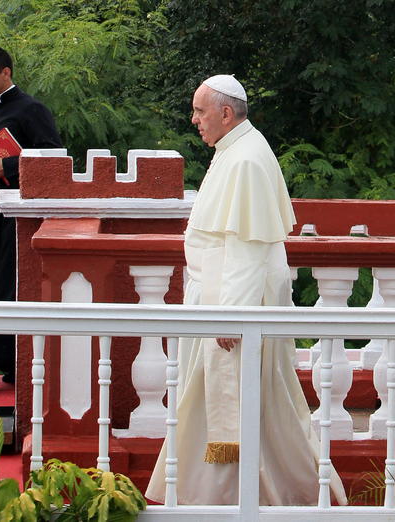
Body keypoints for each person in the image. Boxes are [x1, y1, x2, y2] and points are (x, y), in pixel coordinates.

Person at [147, 74, 346, 507]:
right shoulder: (234, 150)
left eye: (200, 111)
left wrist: (230, 315)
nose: (194, 119)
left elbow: (246, 246)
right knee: (223, 404)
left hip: (232, 306)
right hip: (221, 298)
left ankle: (245, 499)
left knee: (242, 405)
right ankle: (213, 497)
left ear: (224, 112)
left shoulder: (245, 160)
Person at [0, 46, 62, 389]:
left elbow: (54, 156)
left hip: (22, 216)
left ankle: (2, 367)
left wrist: (8, 165)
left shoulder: (32, 110)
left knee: (12, 288)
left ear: (6, 73)